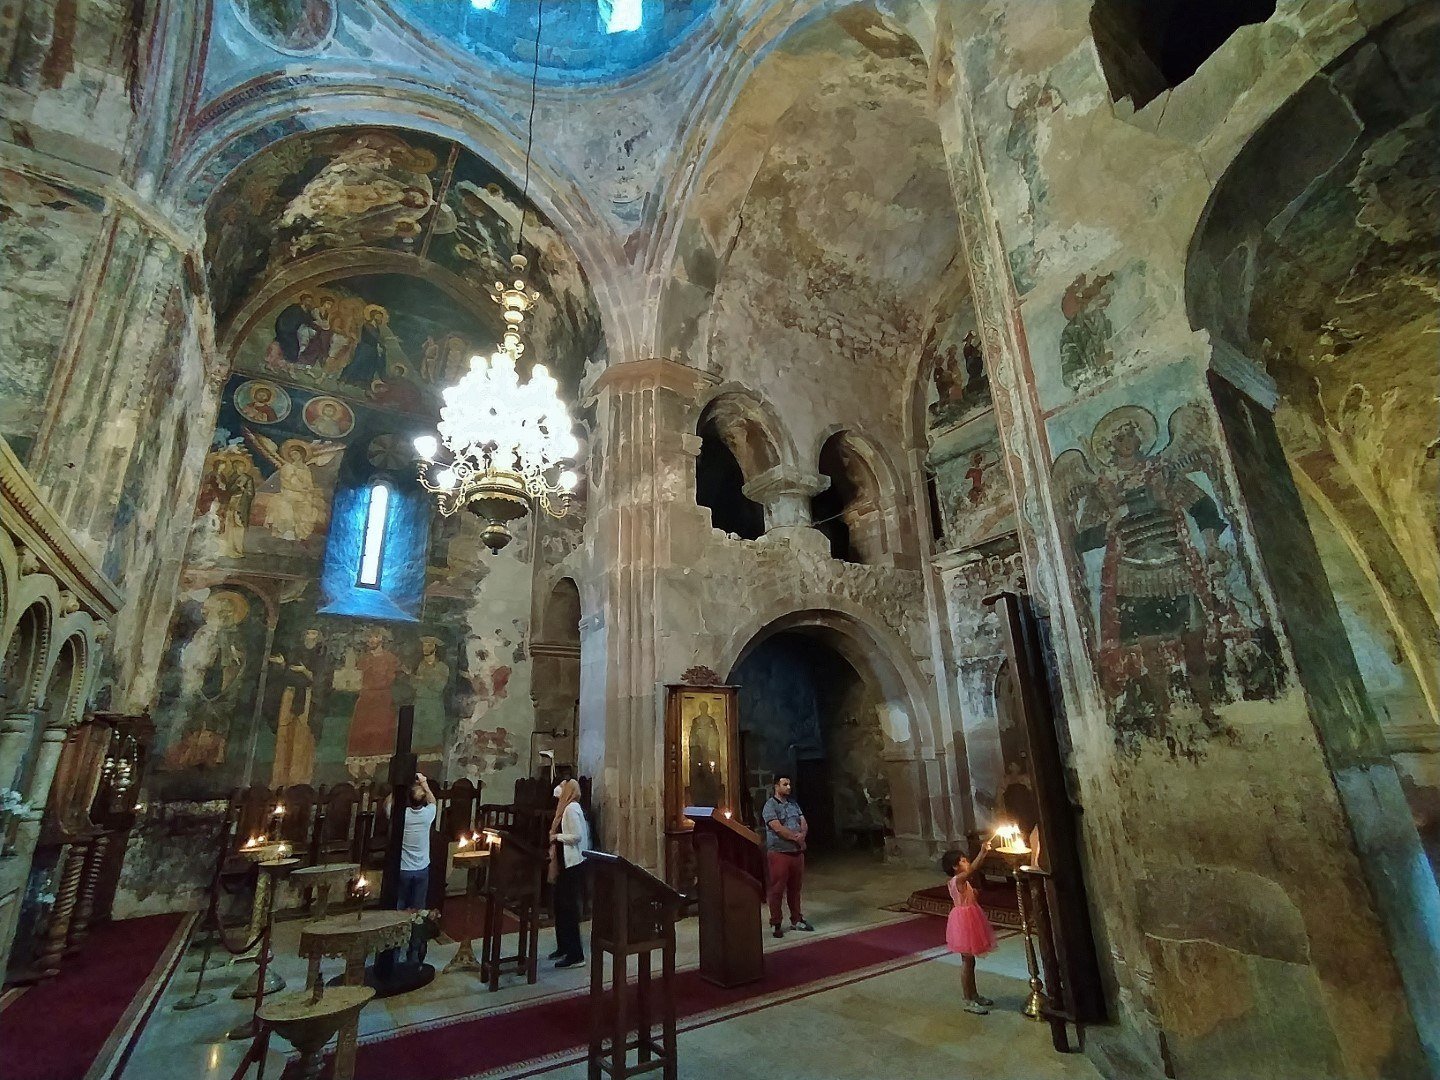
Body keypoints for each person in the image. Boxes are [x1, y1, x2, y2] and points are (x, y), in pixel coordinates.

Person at [942, 839, 999, 1014]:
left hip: (970, 918)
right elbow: (973, 869)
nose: (966, 862)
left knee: (970, 961)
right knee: (967, 962)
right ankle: (968, 999)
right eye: (963, 860)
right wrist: (983, 852)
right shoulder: (958, 879)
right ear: (955, 867)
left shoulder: (963, 881)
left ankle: (974, 994)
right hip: (964, 922)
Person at [761, 775, 814, 938]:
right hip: (779, 853)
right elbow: (776, 827)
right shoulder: (770, 806)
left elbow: (803, 821)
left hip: (796, 853)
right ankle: (776, 922)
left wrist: (802, 834)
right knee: (777, 889)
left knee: (795, 888)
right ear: (776, 786)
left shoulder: (793, 804)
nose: (789, 787)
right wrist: (795, 838)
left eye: (789, 784)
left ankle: (796, 918)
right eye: (785, 784)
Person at [548, 778, 591, 968]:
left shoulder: (572, 809)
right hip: (564, 864)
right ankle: (563, 946)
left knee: (569, 909)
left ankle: (575, 955)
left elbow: (577, 836)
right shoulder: (564, 808)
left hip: (572, 864)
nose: (559, 789)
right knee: (560, 906)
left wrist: (557, 836)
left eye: (563, 786)